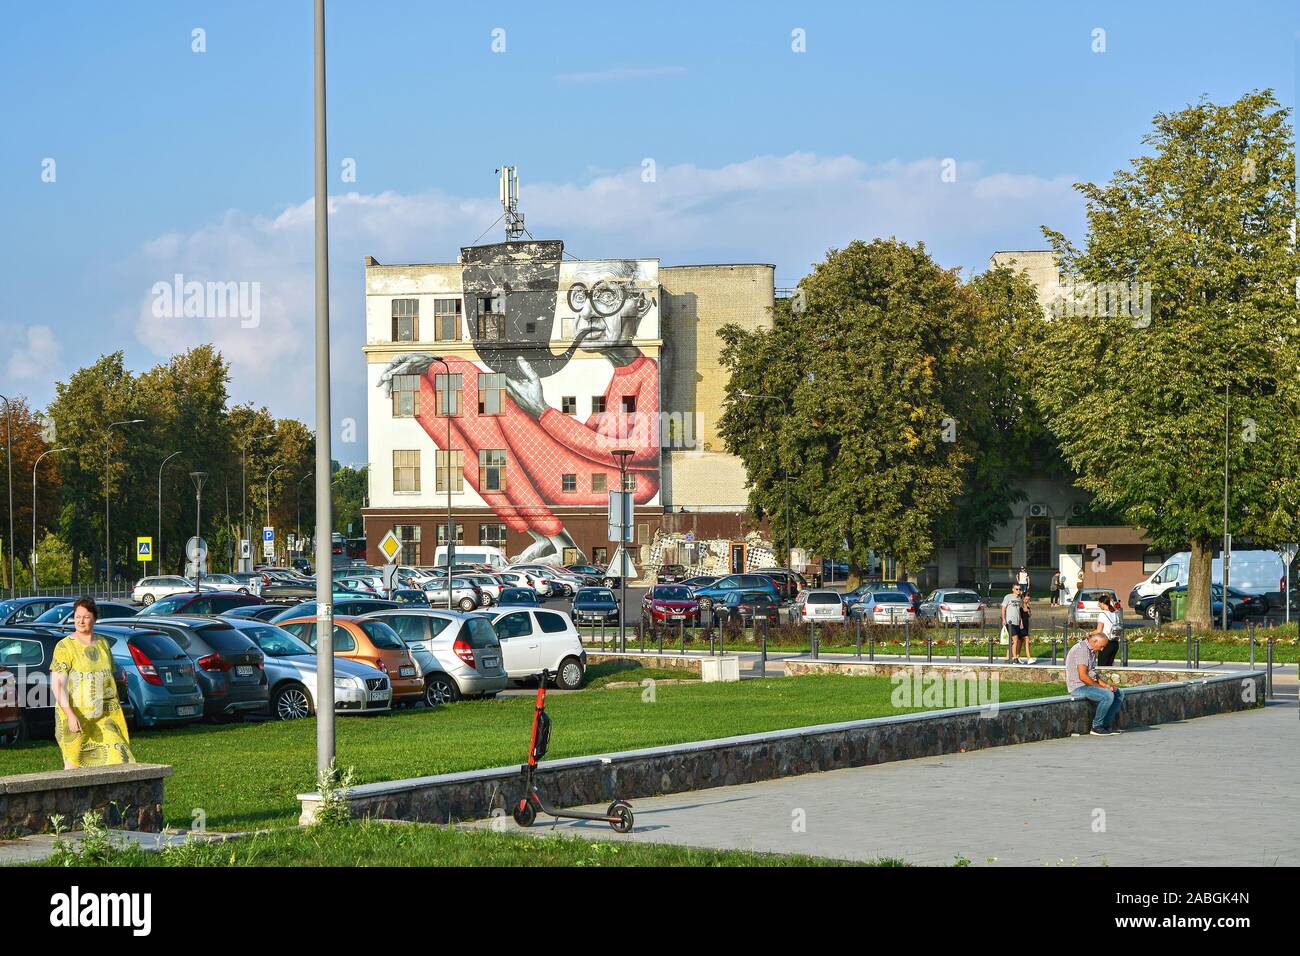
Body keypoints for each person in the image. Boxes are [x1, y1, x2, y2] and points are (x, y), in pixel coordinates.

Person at [50, 597, 135, 769]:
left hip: (104, 716)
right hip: (75, 716)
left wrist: (120, 676)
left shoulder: (103, 643)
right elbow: (57, 685)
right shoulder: (64, 647)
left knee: (120, 759)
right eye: (77, 616)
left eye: (86, 616)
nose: (81, 621)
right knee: (75, 767)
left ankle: (111, 797)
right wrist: (70, 716)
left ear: (94, 618)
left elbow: (110, 670)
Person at [1065, 631, 1124, 735]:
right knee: (1107, 696)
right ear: (1094, 641)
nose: (1102, 649)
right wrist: (1101, 688)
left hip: (1087, 685)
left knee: (1119, 693)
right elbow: (1083, 676)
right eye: (1101, 646)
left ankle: (1106, 725)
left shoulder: (1091, 650)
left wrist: (1106, 685)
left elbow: (1092, 674)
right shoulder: (1082, 650)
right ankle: (1097, 726)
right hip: (1078, 687)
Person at [1094, 594, 1122, 666]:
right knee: (1109, 667)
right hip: (1115, 643)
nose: (1098, 605)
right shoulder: (1115, 614)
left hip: (1105, 643)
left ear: (1103, 603)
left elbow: (1099, 631)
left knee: (1102, 667)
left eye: (1099, 603)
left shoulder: (1102, 614)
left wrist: (1089, 633)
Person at [1001, 584, 1023, 663]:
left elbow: (1019, 611)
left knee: (1013, 641)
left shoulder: (1019, 599)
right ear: (1013, 589)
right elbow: (1003, 608)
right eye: (1017, 589)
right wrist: (1003, 619)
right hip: (1009, 622)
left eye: (1019, 589)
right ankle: (1014, 657)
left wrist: (1021, 621)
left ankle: (1007, 657)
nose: (1018, 591)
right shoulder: (1008, 597)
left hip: (1017, 622)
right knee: (1015, 638)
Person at [1019, 593, 1034, 662]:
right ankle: (1028, 657)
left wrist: (1029, 612)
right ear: (1022, 598)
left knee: (1020, 641)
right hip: (1021, 625)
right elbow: (1019, 615)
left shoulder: (1028, 606)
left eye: (1028, 599)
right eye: (1026, 599)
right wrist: (1021, 623)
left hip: (1026, 624)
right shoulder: (1020, 606)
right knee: (1026, 638)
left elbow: (1029, 615)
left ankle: (1016, 656)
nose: (1027, 600)